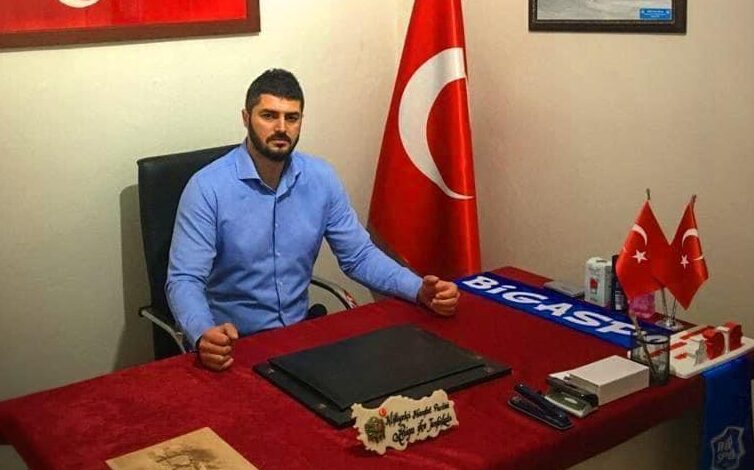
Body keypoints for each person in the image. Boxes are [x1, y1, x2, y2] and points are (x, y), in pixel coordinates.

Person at [166, 69, 460, 371]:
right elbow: (185, 279)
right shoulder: (207, 188)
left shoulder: (321, 178)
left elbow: (359, 256)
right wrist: (203, 333)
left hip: (300, 340)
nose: (281, 128)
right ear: (245, 117)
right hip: (235, 345)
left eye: (291, 118)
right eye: (269, 115)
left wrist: (418, 289)